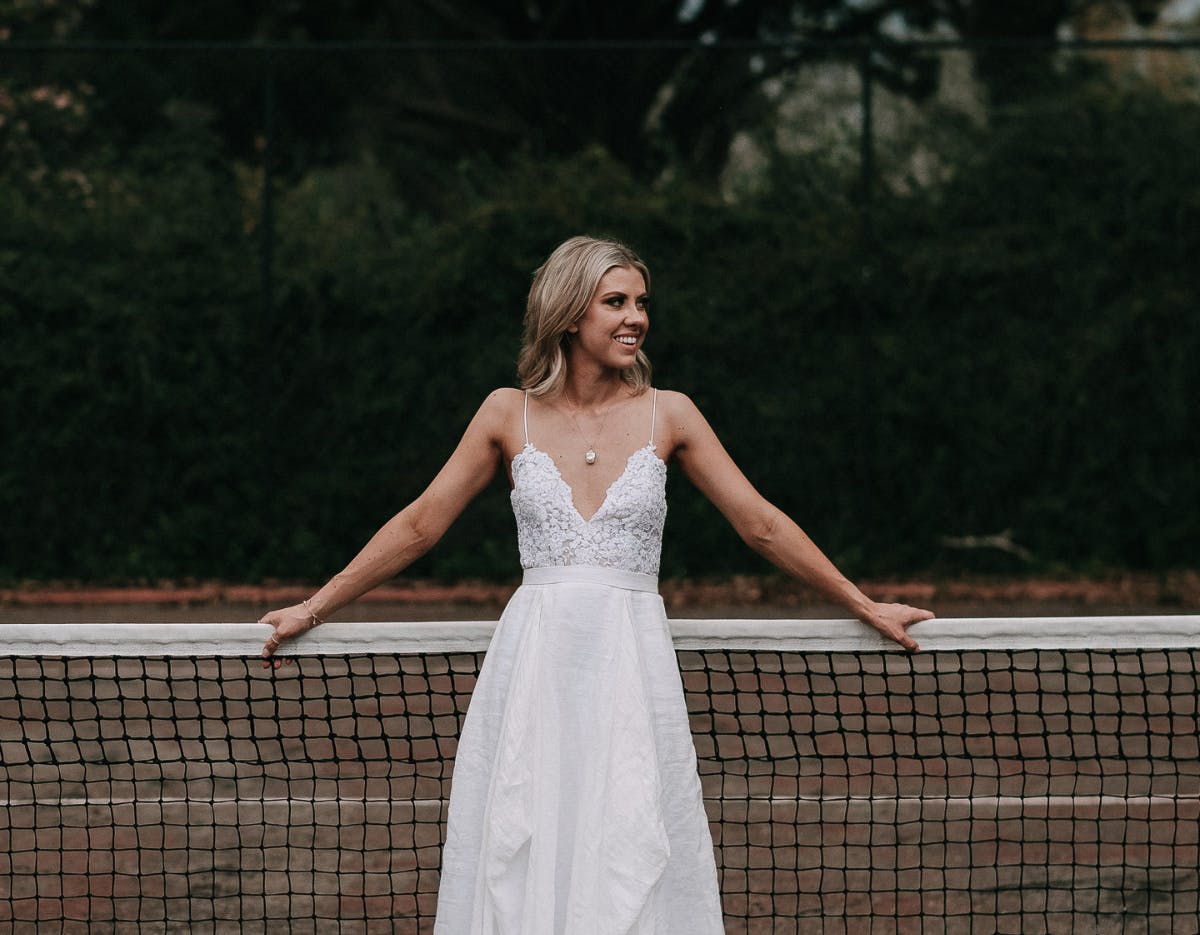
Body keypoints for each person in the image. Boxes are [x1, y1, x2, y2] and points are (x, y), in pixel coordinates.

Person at [259, 235, 935, 932]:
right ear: (570, 312)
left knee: (631, 834)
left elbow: (760, 523)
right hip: (535, 668)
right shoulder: (504, 412)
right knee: (527, 840)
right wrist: (312, 608)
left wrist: (863, 601)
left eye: (642, 303)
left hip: (631, 668)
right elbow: (421, 525)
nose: (635, 317)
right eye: (616, 301)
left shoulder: (670, 412)